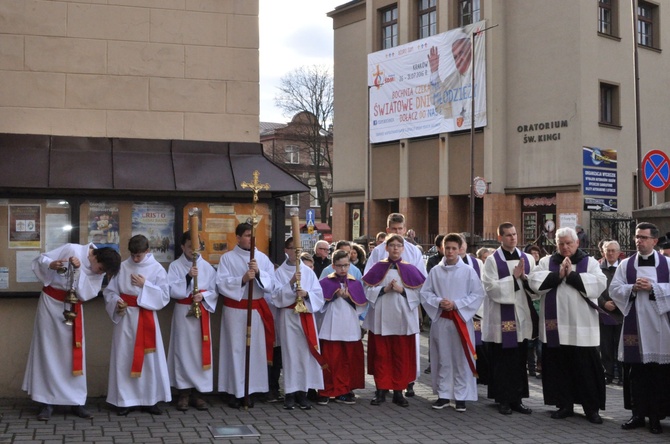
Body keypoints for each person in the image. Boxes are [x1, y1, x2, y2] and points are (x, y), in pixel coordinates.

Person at [23, 244, 121, 421]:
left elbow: (88, 293)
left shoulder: (96, 269)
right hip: (51, 304)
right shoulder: (71, 249)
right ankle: (46, 402)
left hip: (73, 308)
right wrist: (52, 264)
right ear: (95, 257)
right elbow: (40, 260)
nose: (100, 273)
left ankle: (76, 401)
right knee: (47, 351)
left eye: (103, 273)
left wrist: (78, 269)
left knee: (73, 354)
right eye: (100, 269)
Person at [529, 227, 607, 424]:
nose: (565, 247)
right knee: (559, 368)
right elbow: (534, 282)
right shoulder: (547, 262)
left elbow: (599, 284)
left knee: (586, 370)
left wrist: (572, 276)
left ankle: (592, 409)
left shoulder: (589, 262)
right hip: (556, 328)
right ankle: (564, 405)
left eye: (569, 243)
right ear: (556, 244)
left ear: (577, 243)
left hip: (582, 328)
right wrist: (558, 275)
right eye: (561, 243)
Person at [609, 222, 670, 434]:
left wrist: (654, 288)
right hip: (634, 326)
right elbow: (614, 289)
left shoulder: (667, 264)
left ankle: (655, 417)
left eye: (643, 237)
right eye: (637, 237)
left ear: (654, 240)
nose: (639, 241)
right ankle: (637, 414)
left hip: (659, 327)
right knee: (635, 373)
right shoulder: (625, 265)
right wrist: (631, 288)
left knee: (657, 375)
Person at [104, 235, 171, 416]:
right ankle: (125, 400)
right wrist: (117, 301)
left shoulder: (156, 269)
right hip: (126, 318)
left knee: (149, 360)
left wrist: (145, 285)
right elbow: (110, 291)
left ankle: (150, 400)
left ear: (147, 251)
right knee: (124, 357)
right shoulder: (122, 267)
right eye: (132, 255)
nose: (134, 259)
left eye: (138, 255)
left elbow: (165, 295)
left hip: (146, 316)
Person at [420, 233, 485, 412]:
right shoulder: (435, 271)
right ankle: (444, 395)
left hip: (460, 321)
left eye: (453, 248)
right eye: (447, 248)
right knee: (442, 358)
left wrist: (457, 304)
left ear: (460, 249)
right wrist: (439, 302)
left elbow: (477, 294)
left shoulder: (468, 271)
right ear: (442, 249)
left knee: (461, 358)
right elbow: (425, 294)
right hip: (441, 320)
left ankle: (461, 396)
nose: (450, 251)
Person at [365, 213, 428, 397]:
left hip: (404, 310)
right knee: (382, 353)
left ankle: (405, 383)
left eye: (400, 230)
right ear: (387, 231)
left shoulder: (414, 252)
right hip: (382, 312)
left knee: (403, 352)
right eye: (394, 230)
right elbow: (366, 285)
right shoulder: (377, 253)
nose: (397, 234)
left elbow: (421, 285)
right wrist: (382, 290)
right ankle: (382, 388)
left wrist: (403, 291)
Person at [216, 222, 277, 409]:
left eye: (253, 235)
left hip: (255, 309)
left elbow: (271, 284)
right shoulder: (227, 258)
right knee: (235, 350)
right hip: (235, 310)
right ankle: (235, 390)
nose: (251, 239)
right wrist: (242, 279)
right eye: (248, 235)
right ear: (238, 237)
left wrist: (258, 273)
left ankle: (252, 389)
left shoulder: (262, 258)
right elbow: (221, 283)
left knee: (255, 351)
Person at [482, 223, 536, 415]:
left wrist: (526, 279)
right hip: (501, 317)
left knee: (519, 359)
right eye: (508, 235)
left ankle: (517, 399)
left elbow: (536, 287)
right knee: (503, 360)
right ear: (500, 238)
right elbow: (490, 288)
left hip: (521, 314)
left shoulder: (527, 258)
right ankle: (503, 399)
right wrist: (513, 278)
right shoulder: (492, 261)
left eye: (514, 234)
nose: (513, 238)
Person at [167, 231, 218, 411]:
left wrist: (203, 296)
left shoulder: (208, 268)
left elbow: (214, 290)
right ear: (183, 247)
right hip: (183, 312)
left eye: (196, 247)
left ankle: (199, 392)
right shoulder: (175, 266)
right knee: (183, 350)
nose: (193, 250)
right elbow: (171, 290)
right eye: (190, 247)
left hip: (201, 312)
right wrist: (188, 277)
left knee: (200, 351)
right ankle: (184, 392)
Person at [273, 237, 325, 410]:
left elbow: (318, 294)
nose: (295, 251)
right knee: (289, 354)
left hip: (305, 315)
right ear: (285, 251)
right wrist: (290, 284)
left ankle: (302, 392)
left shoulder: (308, 272)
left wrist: (307, 294)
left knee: (304, 354)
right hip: (288, 316)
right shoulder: (280, 272)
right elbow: (275, 297)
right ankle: (289, 392)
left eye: (298, 248)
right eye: (291, 248)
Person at [318, 249, 367, 406]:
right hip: (330, 326)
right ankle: (326, 390)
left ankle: (344, 390)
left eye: (346, 265)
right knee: (330, 359)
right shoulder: (325, 282)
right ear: (333, 266)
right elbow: (318, 305)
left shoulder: (355, 283)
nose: (343, 269)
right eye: (339, 266)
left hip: (349, 325)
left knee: (346, 360)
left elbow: (361, 306)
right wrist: (333, 296)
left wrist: (350, 298)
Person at [428, 29, 483, 129]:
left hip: (481, 127)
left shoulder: (483, 70)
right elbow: (439, 103)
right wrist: (435, 72)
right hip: (459, 130)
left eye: (461, 53)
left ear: (470, 50)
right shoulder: (452, 79)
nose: (458, 60)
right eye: (455, 57)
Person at [597, 240, 623, 386]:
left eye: (613, 250)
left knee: (620, 346)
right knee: (606, 346)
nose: (611, 253)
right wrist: (603, 303)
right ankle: (608, 374)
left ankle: (621, 374)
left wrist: (619, 303)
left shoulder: (623, 268)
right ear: (604, 252)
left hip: (621, 314)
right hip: (604, 313)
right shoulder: (598, 268)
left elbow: (628, 287)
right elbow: (594, 289)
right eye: (608, 250)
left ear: (619, 252)